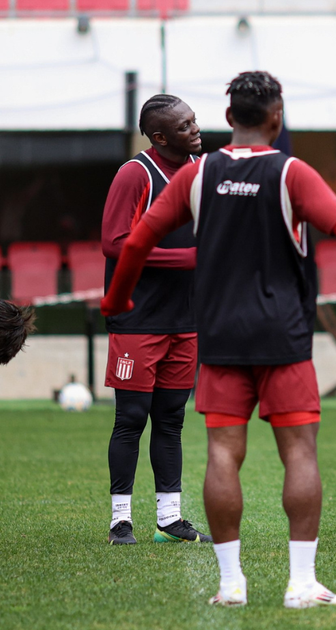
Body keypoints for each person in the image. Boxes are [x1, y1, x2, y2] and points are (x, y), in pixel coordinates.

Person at [102, 72, 336, 609]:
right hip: (284, 335)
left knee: (223, 454)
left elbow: (136, 241)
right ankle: (301, 583)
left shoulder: (197, 174)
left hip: (221, 335)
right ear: (277, 116)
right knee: (299, 451)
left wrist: (116, 300)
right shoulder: (292, 173)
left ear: (227, 119)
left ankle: (231, 584)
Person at [99, 94, 208, 546]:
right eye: (185, 126)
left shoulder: (201, 172)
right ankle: (120, 518)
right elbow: (114, 243)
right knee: (131, 417)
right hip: (137, 318)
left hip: (185, 319)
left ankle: (169, 516)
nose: (195, 130)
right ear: (160, 137)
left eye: (194, 120)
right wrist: (189, 259)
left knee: (172, 418)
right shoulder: (136, 173)